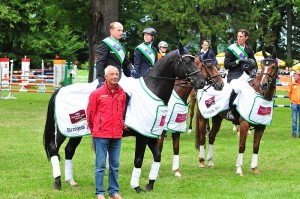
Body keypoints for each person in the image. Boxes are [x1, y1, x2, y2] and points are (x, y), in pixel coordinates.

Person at [86, 65, 126, 199]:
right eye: (112, 74)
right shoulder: (97, 94)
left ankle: (114, 192)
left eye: (116, 74)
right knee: (101, 165)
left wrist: (120, 126)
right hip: (101, 135)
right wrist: (95, 130)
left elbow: (122, 112)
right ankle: (100, 193)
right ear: (106, 77)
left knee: (115, 165)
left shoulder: (122, 93)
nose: (115, 77)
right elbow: (90, 114)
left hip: (116, 135)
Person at [224, 29, 257, 119]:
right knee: (238, 88)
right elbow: (226, 65)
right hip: (234, 76)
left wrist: (254, 71)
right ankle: (230, 110)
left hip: (246, 75)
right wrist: (238, 61)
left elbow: (254, 63)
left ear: (246, 37)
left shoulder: (249, 49)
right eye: (238, 36)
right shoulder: (232, 49)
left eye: (241, 36)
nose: (239, 38)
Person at [96, 22, 137, 88]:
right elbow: (100, 62)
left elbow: (126, 62)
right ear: (111, 31)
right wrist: (101, 79)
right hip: (108, 79)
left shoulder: (122, 46)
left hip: (120, 77)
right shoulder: (105, 43)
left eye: (122, 30)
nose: (121, 32)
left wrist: (131, 70)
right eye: (118, 30)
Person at [288, 71, 300, 138]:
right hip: (294, 104)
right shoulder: (292, 84)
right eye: (294, 76)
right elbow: (289, 94)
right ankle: (294, 133)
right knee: (294, 120)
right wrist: (292, 101)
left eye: (296, 76)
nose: (295, 77)